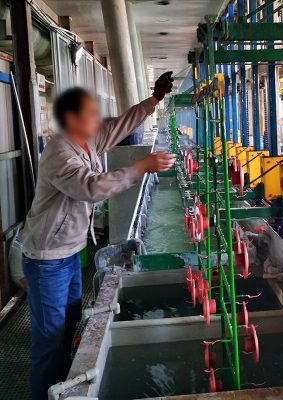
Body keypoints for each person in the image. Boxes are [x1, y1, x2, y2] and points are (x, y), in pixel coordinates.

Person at [21, 71, 175, 400]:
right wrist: (141, 166)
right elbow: (92, 188)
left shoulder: (86, 140)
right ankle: (43, 392)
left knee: (71, 319)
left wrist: (153, 101)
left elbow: (118, 125)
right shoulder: (60, 154)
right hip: (48, 258)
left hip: (71, 249)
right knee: (49, 338)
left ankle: (61, 383)